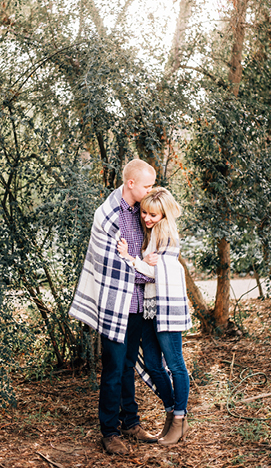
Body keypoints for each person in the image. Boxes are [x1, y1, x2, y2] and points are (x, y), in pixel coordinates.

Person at [68, 158, 159, 455]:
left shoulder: (142, 212)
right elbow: (109, 266)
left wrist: (148, 263)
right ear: (131, 183)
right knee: (113, 367)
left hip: (136, 303)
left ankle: (131, 423)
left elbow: (151, 246)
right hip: (113, 304)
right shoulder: (107, 215)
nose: (151, 189)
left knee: (128, 365)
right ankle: (109, 431)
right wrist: (143, 267)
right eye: (148, 185)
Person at [117, 187, 191, 446]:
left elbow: (153, 273)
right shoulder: (153, 232)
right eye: (145, 213)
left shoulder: (165, 233)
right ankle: (171, 412)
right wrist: (142, 260)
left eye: (153, 215)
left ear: (164, 215)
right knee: (152, 362)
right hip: (151, 305)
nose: (147, 218)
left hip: (166, 304)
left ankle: (179, 419)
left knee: (175, 364)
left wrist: (130, 258)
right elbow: (151, 268)